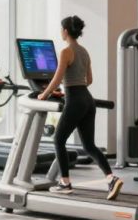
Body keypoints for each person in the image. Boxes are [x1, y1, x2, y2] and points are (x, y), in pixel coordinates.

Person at [36, 16, 123, 199]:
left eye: (61, 29)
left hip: (75, 100)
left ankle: (65, 182)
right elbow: (88, 80)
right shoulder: (84, 51)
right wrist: (72, 85)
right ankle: (111, 178)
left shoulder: (66, 51)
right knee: (89, 145)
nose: (61, 32)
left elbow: (58, 78)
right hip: (87, 99)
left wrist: (44, 94)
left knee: (58, 140)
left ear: (66, 31)